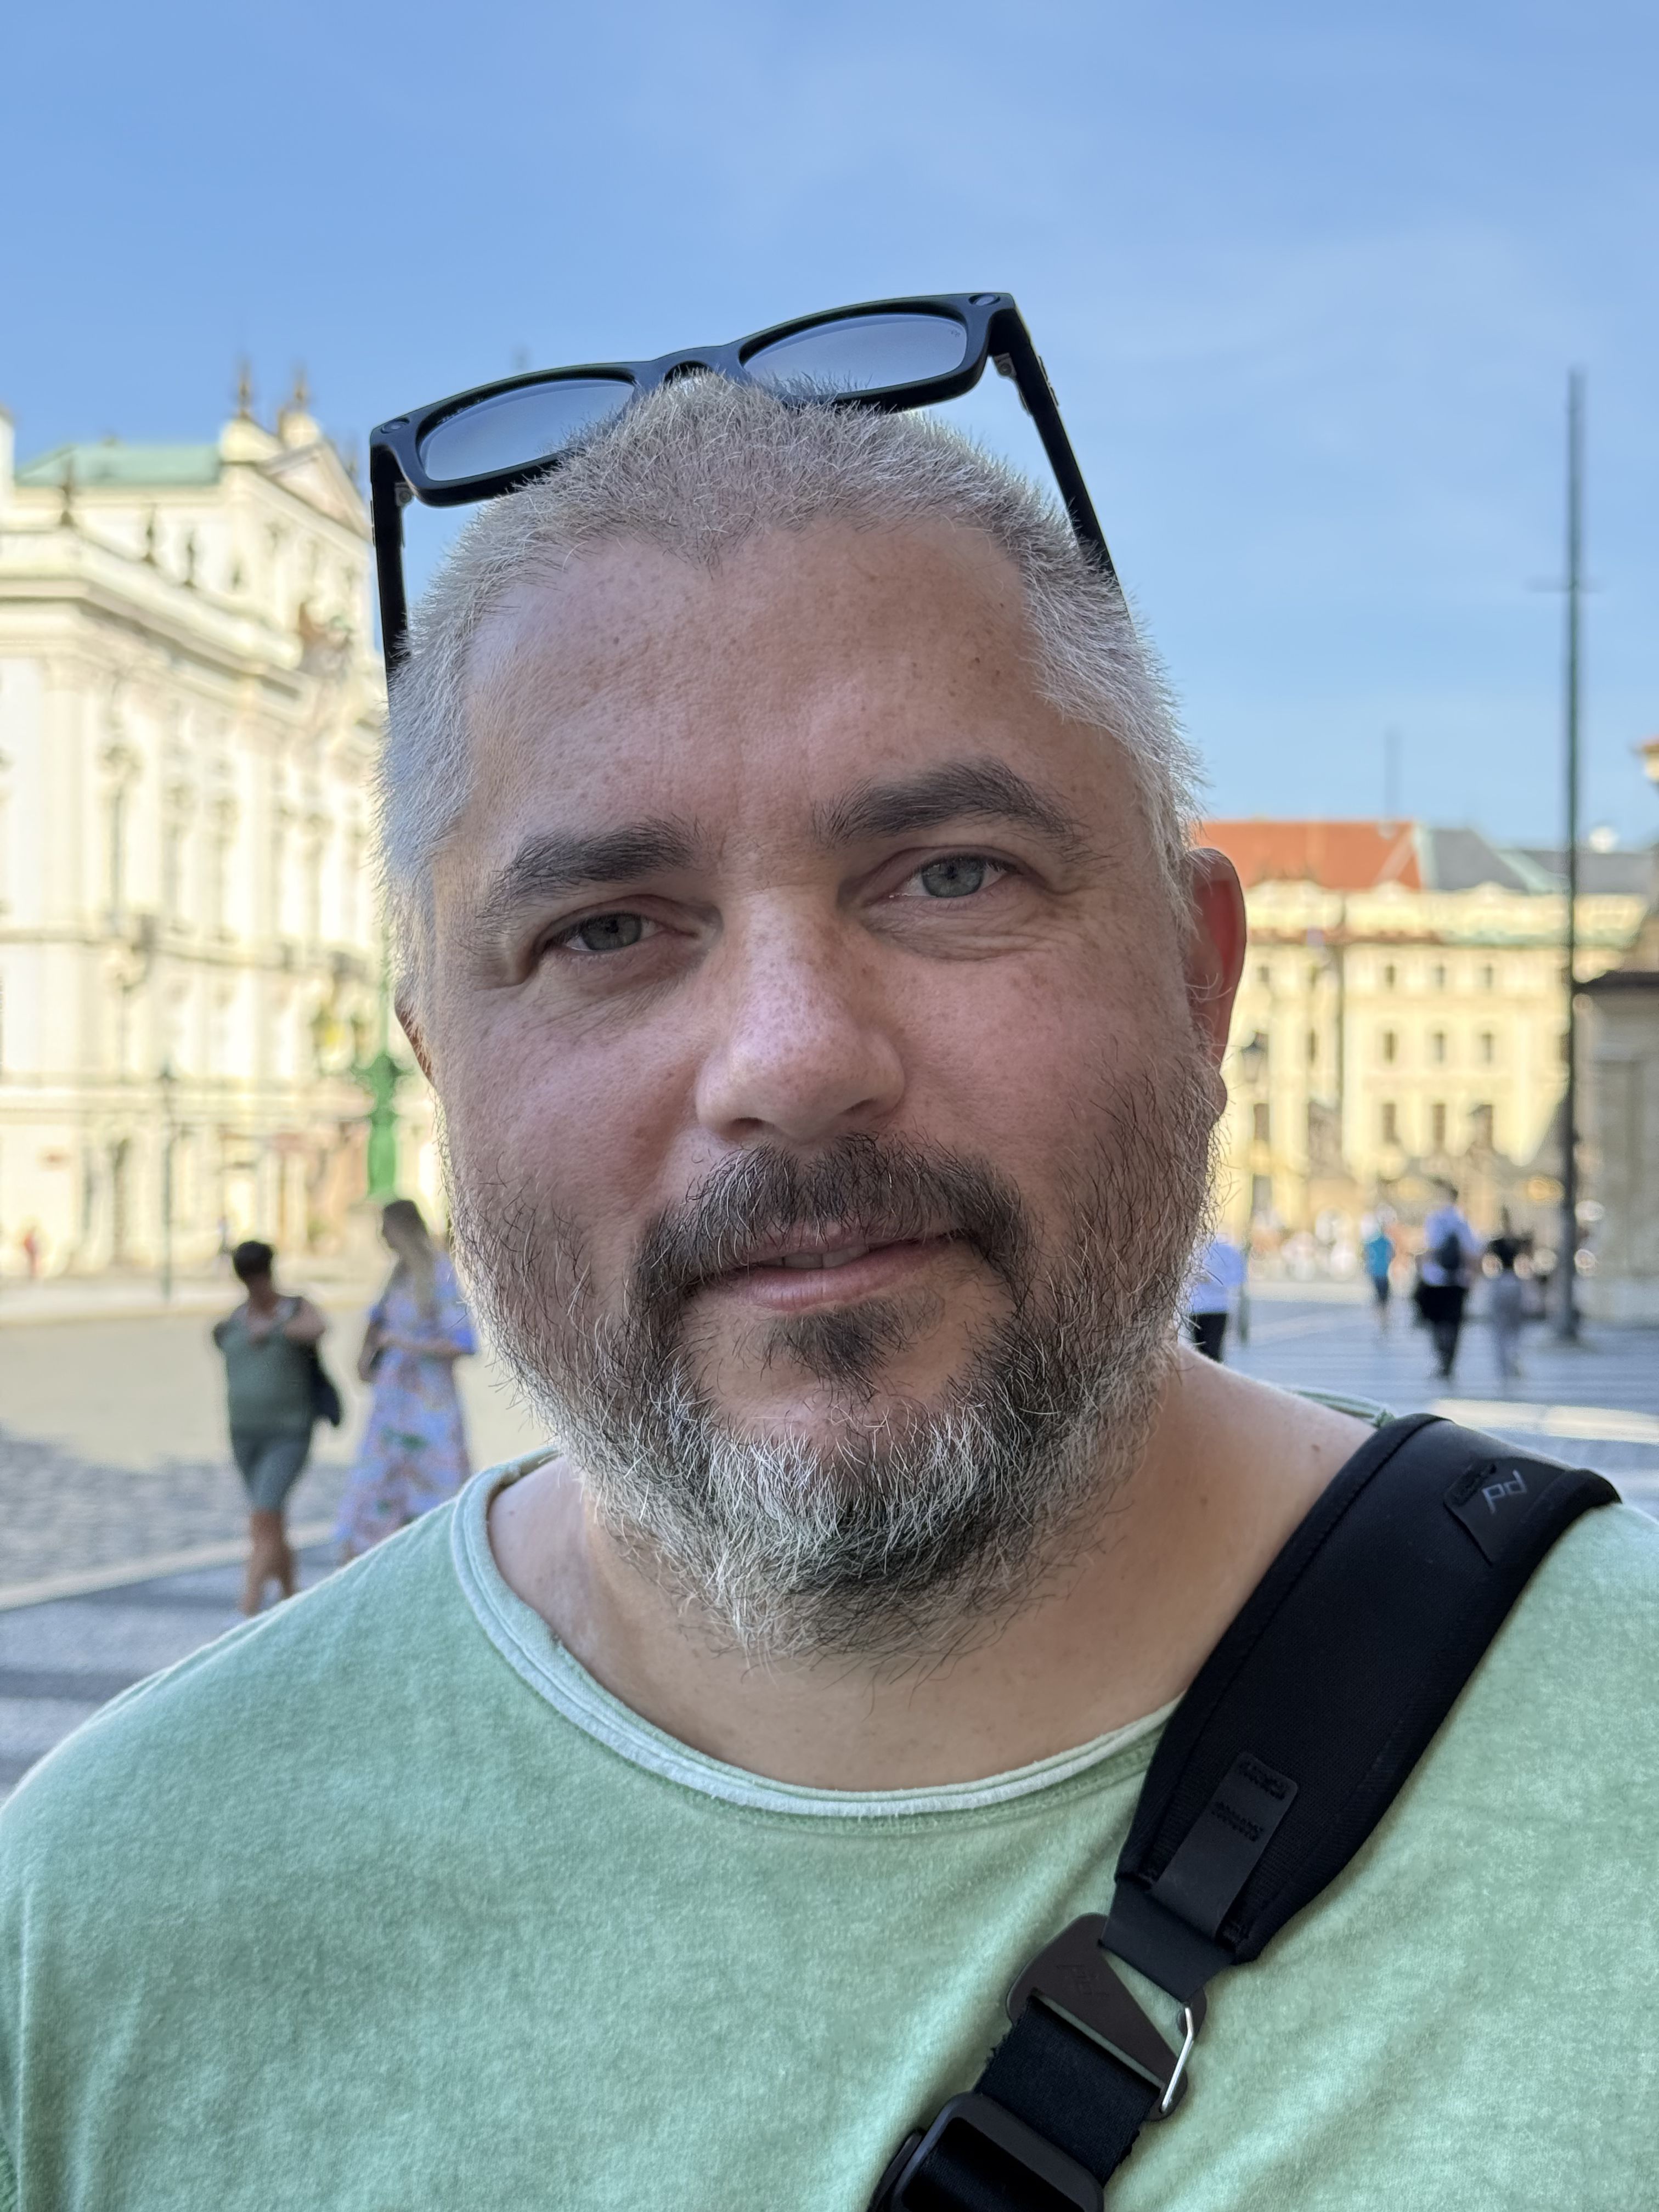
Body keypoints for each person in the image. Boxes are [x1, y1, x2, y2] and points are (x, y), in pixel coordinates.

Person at [2, 370, 1655, 2209]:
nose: (790, 1061)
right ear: (442, 1070)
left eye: (950, 877)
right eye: (605, 929)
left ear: (1199, 986)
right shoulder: (89, 1924)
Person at [333, 1198, 476, 1559]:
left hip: (429, 1407)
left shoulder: (440, 1273)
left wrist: (404, 1343)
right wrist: (367, 1356)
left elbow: (464, 1343)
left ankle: (433, 1561)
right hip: (392, 1405)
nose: (382, 1237)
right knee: (379, 1489)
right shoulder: (398, 1275)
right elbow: (377, 1321)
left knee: (433, 1492)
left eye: (386, 1229)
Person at [208, 1239, 328, 1614]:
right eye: (247, 1278)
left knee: (264, 1513)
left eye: (258, 1276)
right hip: (244, 1434)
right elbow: (220, 1338)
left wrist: (276, 1328)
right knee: (272, 1521)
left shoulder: (295, 1309)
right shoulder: (235, 1318)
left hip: (288, 1433)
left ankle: (248, 1608)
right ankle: (291, 1600)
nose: (254, 1285)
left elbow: (316, 1328)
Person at [1415, 1185, 1483, 1380]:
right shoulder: (1462, 1222)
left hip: (1435, 1280)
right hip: (1457, 1281)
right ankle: (1448, 1361)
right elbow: (1471, 1252)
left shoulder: (1435, 1220)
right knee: (1453, 1323)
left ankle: (1442, 1357)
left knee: (1437, 1322)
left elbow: (1428, 1249)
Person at [1184, 1231, 1244, 1361]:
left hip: (1217, 1308)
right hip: (1196, 1308)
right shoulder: (1190, 1248)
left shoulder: (1224, 1249)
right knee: (1198, 1354)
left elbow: (1237, 1277)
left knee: (1212, 1352)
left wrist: (1211, 1279)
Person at [1486, 1210, 1528, 1386]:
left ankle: (1505, 1366)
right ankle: (1512, 1361)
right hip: (1514, 1281)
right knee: (1513, 1327)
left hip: (1502, 1281)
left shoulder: (1496, 1243)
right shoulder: (1517, 1241)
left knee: (1502, 1328)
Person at [1361, 1215, 1395, 1328]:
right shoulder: (1387, 1241)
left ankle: (1380, 1318)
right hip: (1384, 1272)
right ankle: (1384, 1318)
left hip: (1375, 1271)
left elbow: (1366, 1256)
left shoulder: (1371, 1242)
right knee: (1385, 1297)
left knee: (1379, 1296)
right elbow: (1392, 1255)